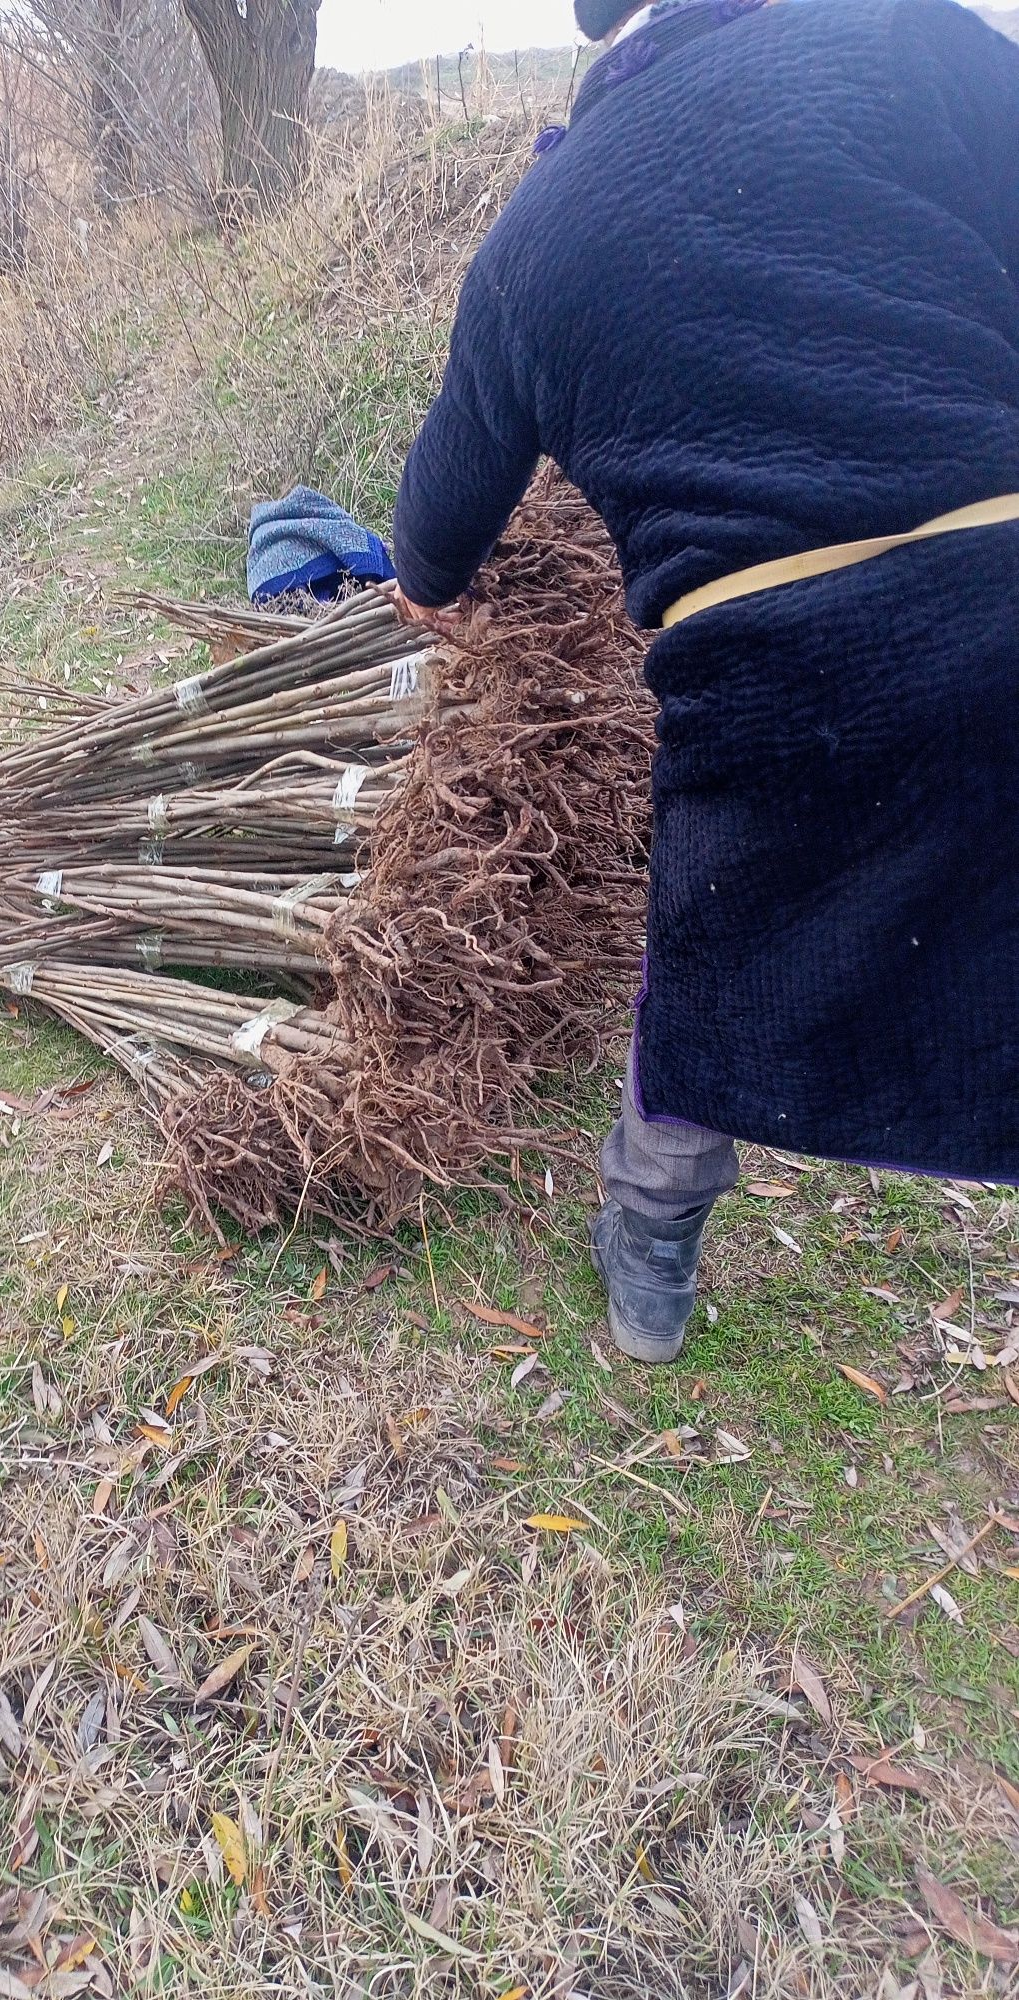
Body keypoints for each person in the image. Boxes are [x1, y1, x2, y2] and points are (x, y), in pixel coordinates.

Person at [391, 0, 1019, 1362]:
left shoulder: (531, 242)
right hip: (1005, 581)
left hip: (773, 676)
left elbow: (435, 531)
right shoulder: (901, 36)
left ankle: (650, 1257)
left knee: (713, 978)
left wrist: (425, 588)